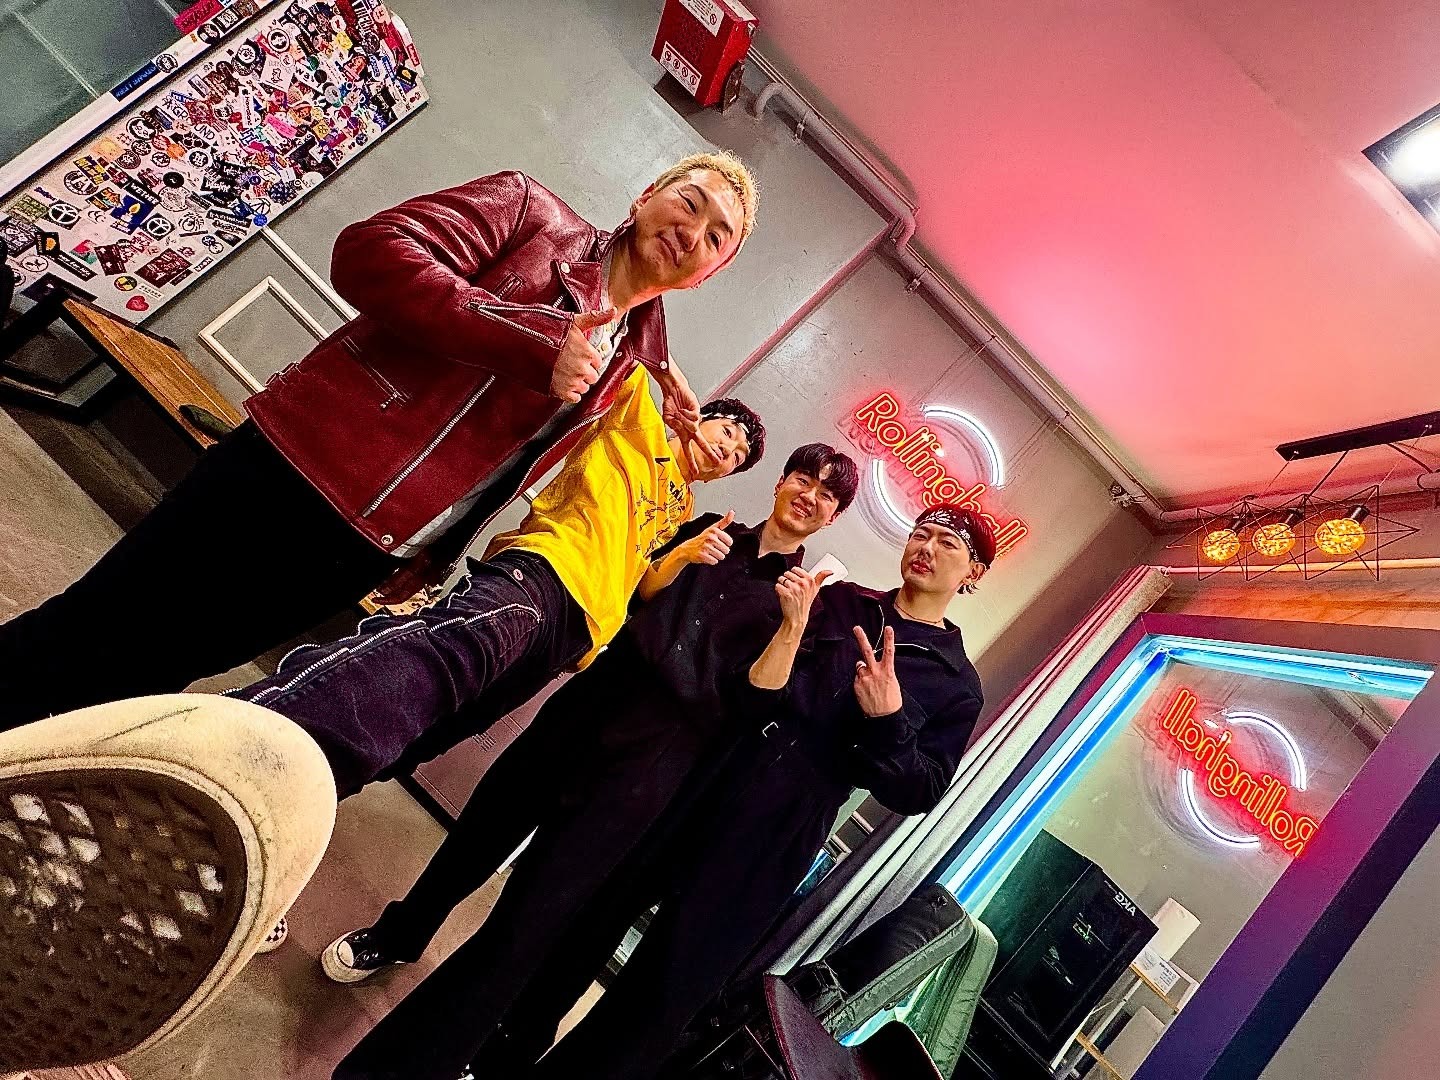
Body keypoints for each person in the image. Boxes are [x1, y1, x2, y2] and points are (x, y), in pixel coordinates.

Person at [0, 152, 757, 731]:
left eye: (716, 237)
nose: (692, 232)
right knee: (98, 621)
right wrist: (532, 338)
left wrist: (437, 551)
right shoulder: (531, 212)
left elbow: (515, 460)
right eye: (689, 203)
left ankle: (28, 767)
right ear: (645, 197)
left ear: (708, 275)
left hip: (373, 546)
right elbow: (368, 252)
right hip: (298, 465)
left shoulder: (635, 362)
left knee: (168, 671)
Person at [332, 504, 995, 1080]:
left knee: (660, 996)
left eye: (949, 544)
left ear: (973, 574)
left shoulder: (955, 684)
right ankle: (461, 1056)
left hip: (779, 828)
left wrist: (888, 722)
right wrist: (787, 626)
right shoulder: (840, 601)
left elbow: (920, 788)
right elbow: (752, 686)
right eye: (922, 533)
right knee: (561, 926)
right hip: (701, 776)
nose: (927, 548)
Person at [232, 383, 766, 799]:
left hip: (577, 634)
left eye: (737, 458)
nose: (726, 451)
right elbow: (635, 349)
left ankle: (299, 803)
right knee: (431, 662)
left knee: (437, 732)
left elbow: (643, 582)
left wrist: (684, 554)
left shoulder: (682, 508)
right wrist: (672, 388)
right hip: (545, 573)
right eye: (727, 433)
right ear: (699, 417)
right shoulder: (638, 426)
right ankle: (241, 737)